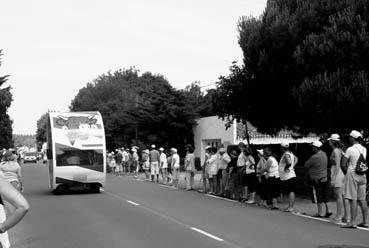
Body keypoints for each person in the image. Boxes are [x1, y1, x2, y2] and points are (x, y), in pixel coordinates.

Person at [341, 130, 368, 228]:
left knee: (353, 199)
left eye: (350, 137)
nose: (349, 138)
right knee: (362, 199)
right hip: (362, 174)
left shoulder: (350, 149)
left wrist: (346, 173)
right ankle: (365, 221)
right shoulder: (364, 149)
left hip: (352, 173)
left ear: (353, 138)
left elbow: (343, 164)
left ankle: (352, 222)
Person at [0, 166, 30, 248]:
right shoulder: (16, 165)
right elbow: (23, 206)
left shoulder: (2, 165)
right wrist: (3, 227)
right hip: (12, 183)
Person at [304, 141, 332, 218]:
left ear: (316, 148)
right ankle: (328, 210)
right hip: (325, 178)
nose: (312, 148)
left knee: (318, 196)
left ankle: (320, 212)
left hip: (316, 179)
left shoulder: (314, 157)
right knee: (325, 195)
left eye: (313, 147)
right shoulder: (324, 154)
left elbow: (306, 165)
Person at [328, 134, 346, 224]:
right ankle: (344, 216)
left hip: (337, 174)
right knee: (341, 196)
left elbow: (338, 165)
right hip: (339, 173)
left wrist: (333, 179)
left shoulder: (335, 150)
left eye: (330, 140)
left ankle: (338, 217)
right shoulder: (340, 150)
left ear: (333, 141)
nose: (329, 142)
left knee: (339, 196)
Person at [279, 142, 298, 212]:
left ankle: (290, 207)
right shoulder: (291, 153)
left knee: (290, 191)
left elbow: (289, 162)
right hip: (290, 175)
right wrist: (293, 166)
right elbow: (296, 159)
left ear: (281, 147)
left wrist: (286, 168)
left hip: (288, 176)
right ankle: (290, 206)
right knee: (291, 191)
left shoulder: (286, 154)